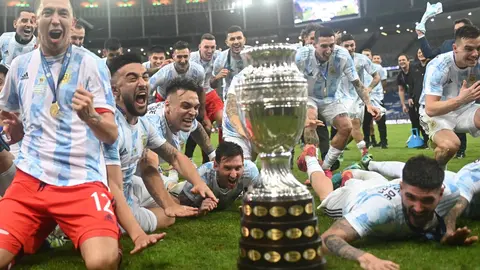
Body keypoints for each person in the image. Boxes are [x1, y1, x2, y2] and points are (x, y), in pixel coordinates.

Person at [0, 0, 138, 268]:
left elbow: (110, 135)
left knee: (101, 262)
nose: (55, 19)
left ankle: (100, 242)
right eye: (48, 13)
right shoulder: (19, 65)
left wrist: (92, 117)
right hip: (31, 180)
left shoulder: (93, 65)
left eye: (63, 13)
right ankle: (26, 239)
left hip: (81, 181)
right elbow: (9, 119)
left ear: (72, 23)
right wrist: (14, 130)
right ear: (37, 20)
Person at [104, 53, 211, 233]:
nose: (142, 83)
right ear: (115, 91)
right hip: (110, 195)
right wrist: (167, 208)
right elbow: (146, 166)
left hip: (131, 184)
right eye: (132, 78)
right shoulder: (111, 126)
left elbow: (175, 156)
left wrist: (199, 183)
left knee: (174, 204)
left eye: (145, 77)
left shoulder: (142, 123)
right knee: (168, 217)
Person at [320, 155, 464, 270]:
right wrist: (365, 258)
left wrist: (449, 230)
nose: (418, 208)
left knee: (374, 179)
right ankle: (312, 161)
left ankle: (353, 173)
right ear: (401, 187)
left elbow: (451, 206)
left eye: (427, 200)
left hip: (380, 186)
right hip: (351, 197)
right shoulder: (378, 209)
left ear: (441, 193)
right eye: (411, 197)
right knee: (325, 195)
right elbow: (327, 238)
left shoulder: (452, 193)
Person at [295, 27, 380, 185]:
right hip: (308, 96)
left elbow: (357, 83)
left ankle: (325, 169)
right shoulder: (302, 55)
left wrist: (368, 104)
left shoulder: (342, 55)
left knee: (346, 127)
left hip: (331, 98)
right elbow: (292, 83)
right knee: (311, 122)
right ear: (314, 44)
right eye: (324, 46)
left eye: (332, 45)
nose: (329, 50)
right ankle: (312, 166)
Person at [419, 25, 480, 167]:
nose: (475, 54)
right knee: (450, 146)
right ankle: (436, 173)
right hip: (436, 114)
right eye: (469, 49)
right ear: (455, 48)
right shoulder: (438, 66)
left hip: (464, 109)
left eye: (478, 48)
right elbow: (431, 108)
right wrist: (461, 99)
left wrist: (463, 101)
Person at [145, 77, 216, 190]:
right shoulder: (152, 123)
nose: (193, 113)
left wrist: (213, 155)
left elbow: (197, 128)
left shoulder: (184, 116)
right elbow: (149, 169)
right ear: (167, 105)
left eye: (196, 107)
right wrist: (170, 185)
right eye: (186, 106)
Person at [170, 141, 259, 216]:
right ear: (216, 165)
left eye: (238, 168)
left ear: (243, 165)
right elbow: (180, 206)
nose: (233, 175)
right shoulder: (201, 177)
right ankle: (169, 182)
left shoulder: (250, 172)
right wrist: (199, 209)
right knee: (172, 189)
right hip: (181, 188)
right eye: (227, 168)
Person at [336, 34, 381, 157]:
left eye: (352, 45)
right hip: (341, 97)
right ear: (341, 47)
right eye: (346, 46)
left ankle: (336, 150)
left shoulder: (362, 59)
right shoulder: (334, 59)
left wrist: (369, 88)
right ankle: (365, 154)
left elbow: (377, 76)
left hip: (359, 97)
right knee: (354, 124)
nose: (350, 48)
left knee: (350, 129)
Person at [187, 33, 224, 164]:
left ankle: (223, 155)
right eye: (206, 47)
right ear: (199, 47)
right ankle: (206, 161)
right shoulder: (191, 59)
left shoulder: (219, 57)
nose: (210, 51)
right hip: (196, 95)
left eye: (212, 47)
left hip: (211, 93)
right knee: (205, 128)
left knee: (224, 122)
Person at [211, 25, 248, 100]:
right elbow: (212, 84)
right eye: (232, 39)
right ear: (227, 42)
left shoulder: (253, 54)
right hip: (231, 99)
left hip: (251, 95)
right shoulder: (220, 59)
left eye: (239, 38)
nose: (236, 42)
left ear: (244, 40)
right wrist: (217, 77)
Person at [361, 50, 388, 149]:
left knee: (381, 121)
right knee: (366, 122)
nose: (366, 57)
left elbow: (383, 80)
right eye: (364, 55)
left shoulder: (378, 68)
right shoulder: (359, 68)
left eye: (368, 55)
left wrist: (380, 92)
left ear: (371, 57)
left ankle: (384, 142)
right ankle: (367, 142)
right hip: (365, 98)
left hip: (377, 98)